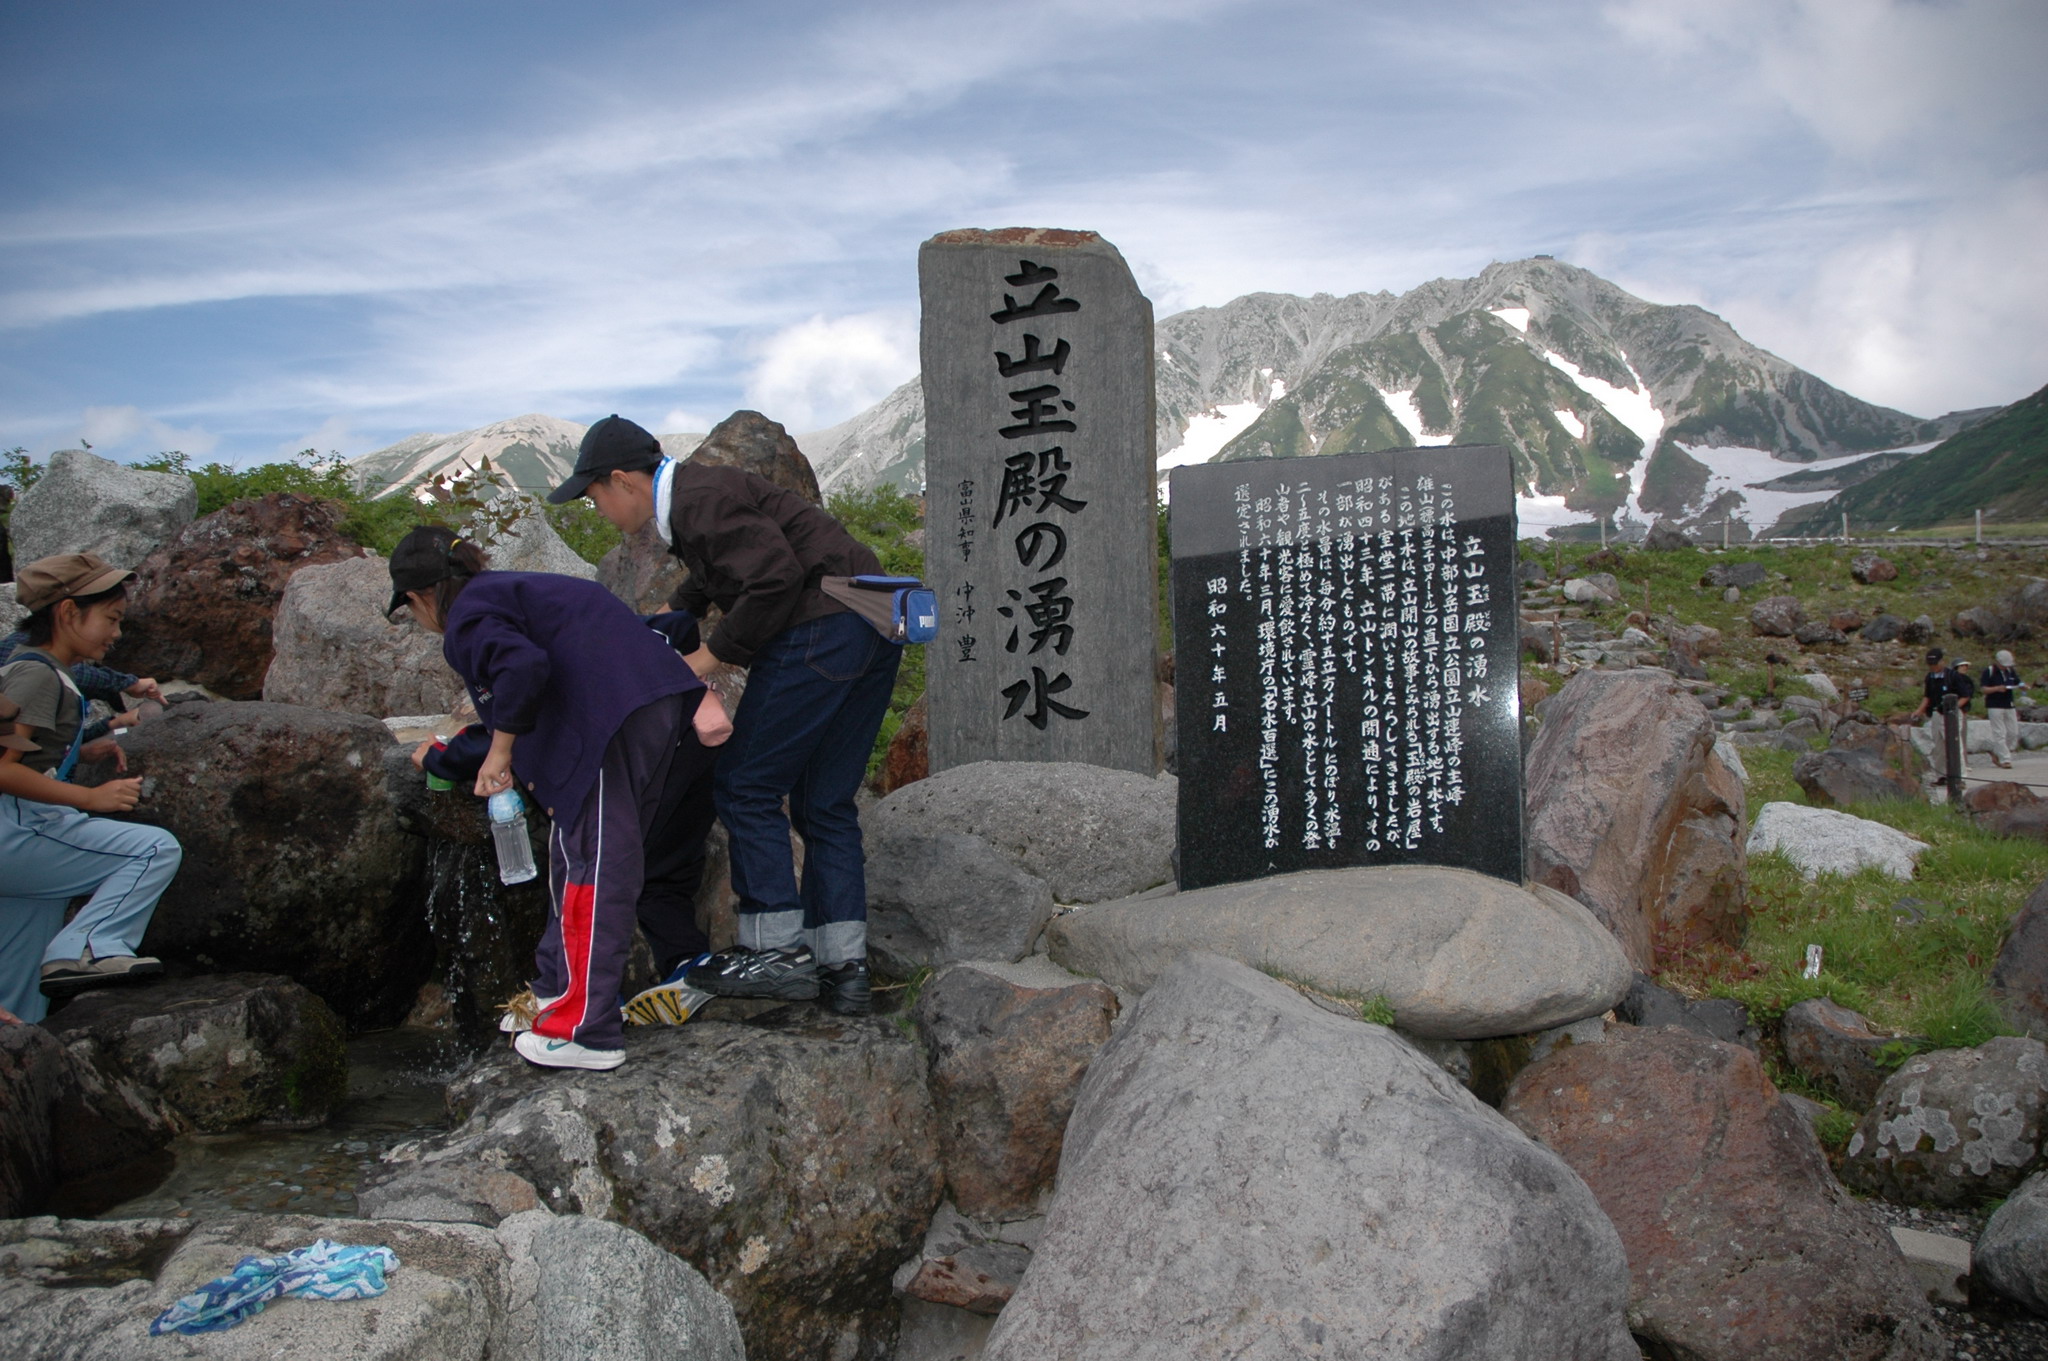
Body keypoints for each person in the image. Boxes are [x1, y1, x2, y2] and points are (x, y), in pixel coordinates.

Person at [550, 415, 899, 1015]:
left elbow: (773, 578)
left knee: (743, 785)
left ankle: (774, 952)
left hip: (822, 628)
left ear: (621, 481)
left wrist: (705, 659)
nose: (597, 509)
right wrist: (664, 614)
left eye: (593, 496)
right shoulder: (701, 493)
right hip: (874, 624)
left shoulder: (697, 500)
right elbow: (722, 569)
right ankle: (842, 970)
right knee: (824, 803)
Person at [385, 526, 731, 1070]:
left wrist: (498, 756)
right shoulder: (516, 590)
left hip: (610, 720)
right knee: (580, 854)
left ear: (418, 597)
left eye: (410, 610)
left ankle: (585, 1029)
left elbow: (521, 669)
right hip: (657, 706)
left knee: (595, 865)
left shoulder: (469, 616)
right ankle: (551, 991)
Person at [0, 553, 182, 1023]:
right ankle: (86, 949)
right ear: (67, 612)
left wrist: (80, 752)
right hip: (16, 827)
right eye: (111, 618)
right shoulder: (37, 674)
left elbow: (25, 750)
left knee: (23, 963)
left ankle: (23, 1046)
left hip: (15, 836)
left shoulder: (42, 669)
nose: (117, 633)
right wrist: (89, 798)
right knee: (152, 851)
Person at [1982, 650, 2025, 770]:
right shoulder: (1989, 672)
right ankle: (2005, 759)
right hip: (1994, 705)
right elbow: (1984, 689)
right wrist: (1997, 688)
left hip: (2008, 704)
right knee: (1999, 732)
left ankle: (1997, 752)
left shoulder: (2010, 671)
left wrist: (2022, 685)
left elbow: (2017, 681)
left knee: (2013, 732)